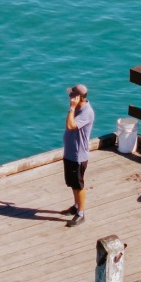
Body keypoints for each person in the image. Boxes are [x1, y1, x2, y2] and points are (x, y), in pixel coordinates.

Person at [61, 83, 94, 225]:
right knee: (72, 183)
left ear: (79, 97)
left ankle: (81, 213)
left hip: (78, 156)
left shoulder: (86, 112)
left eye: (72, 95)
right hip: (70, 152)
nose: (70, 97)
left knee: (78, 185)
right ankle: (75, 207)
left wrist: (72, 108)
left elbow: (70, 125)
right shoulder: (78, 108)